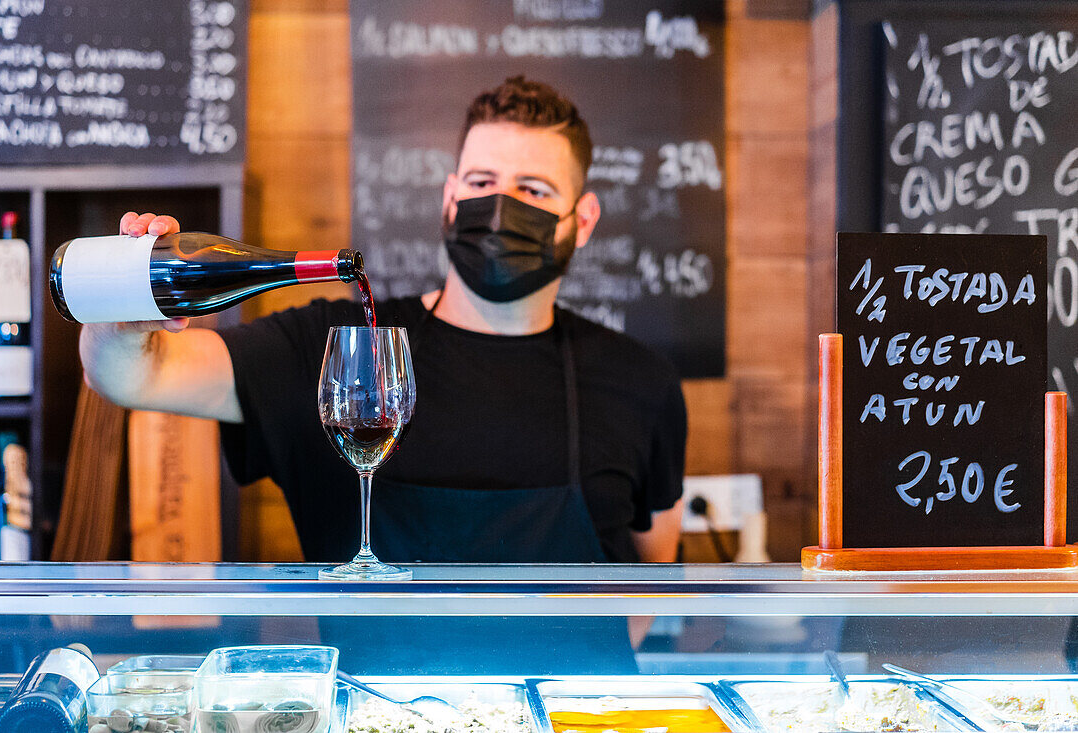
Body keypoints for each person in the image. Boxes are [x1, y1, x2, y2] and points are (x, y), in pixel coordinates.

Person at [80, 77, 687, 671]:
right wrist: (125, 309)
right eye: (482, 182)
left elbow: (652, 579)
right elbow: (133, 378)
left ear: (582, 219)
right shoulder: (329, 349)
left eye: (533, 190)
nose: (501, 209)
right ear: (450, 198)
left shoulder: (642, 382)